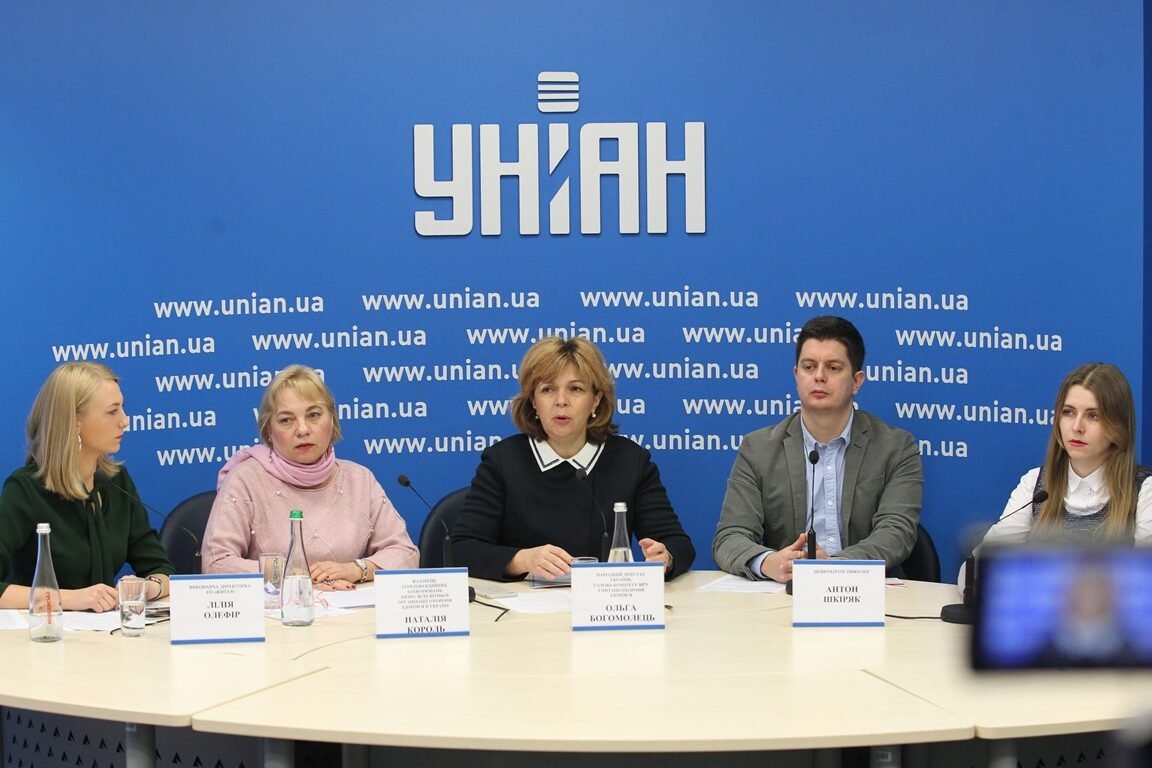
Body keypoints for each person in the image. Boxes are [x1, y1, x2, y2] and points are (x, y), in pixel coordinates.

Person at [452, 337, 695, 582]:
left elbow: (677, 543)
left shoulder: (630, 461)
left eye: (576, 389)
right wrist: (522, 560)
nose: (561, 401)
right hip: (521, 601)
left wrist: (666, 557)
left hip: (604, 599)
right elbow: (461, 549)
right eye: (548, 389)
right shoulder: (503, 461)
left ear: (596, 400)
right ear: (533, 401)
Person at [712, 315, 922, 582]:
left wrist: (834, 566)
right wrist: (768, 562)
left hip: (864, 590)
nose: (819, 377)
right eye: (809, 367)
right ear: (796, 375)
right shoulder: (758, 449)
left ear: (856, 381)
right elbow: (730, 537)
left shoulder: (895, 447)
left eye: (833, 368)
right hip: (787, 593)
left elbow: (896, 533)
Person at [201, 365, 418, 588]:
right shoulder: (245, 479)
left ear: (332, 421)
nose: (303, 429)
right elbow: (216, 564)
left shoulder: (360, 479)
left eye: (314, 415)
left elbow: (406, 554)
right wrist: (299, 577)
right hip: (275, 607)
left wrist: (356, 569)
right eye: (286, 420)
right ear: (268, 431)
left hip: (350, 605)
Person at [0, 362, 173, 611]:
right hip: (44, 630)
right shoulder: (25, 490)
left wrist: (148, 587)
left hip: (105, 630)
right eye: (112, 412)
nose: (125, 421)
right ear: (74, 422)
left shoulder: (117, 481)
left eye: (123, 408)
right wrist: (71, 599)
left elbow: (160, 567)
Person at [979, 362, 1152, 547]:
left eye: (1093, 416)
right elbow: (983, 560)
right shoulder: (1036, 485)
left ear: (1118, 425)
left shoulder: (1144, 491)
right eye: (1068, 412)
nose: (1077, 427)